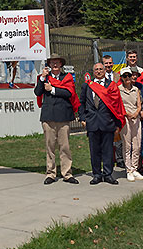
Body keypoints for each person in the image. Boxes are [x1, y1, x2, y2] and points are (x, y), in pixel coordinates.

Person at [34, 53, 80, 185]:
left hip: (63, 116)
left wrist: (53, 89)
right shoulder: (43, 78)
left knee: (64, 146)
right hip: (48, 116)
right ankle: (51, 173)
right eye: (52, 62)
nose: (55, 64)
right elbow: (37, 92)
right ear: (49, 64)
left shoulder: (67, 77)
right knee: (50, 146)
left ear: (61, 64)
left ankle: (67, 173)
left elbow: (69, 93)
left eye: (57, 62)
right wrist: (42, 79)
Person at [78, 63, 124, 185]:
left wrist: (117, 124)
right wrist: (82, 118)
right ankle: (97, 175)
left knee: (108, 151)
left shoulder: (111, 85)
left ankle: (108, 174)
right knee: (94, 151)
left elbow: (116, 105)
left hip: (107, 122)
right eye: (96, 69)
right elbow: (81, 103)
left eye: (100, 69)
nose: (98, 71)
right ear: (93, 72)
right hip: (92, 123)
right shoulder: (87, 86)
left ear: (105, 71)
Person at [118, 68, 143, 181]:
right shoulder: (119, 90)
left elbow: (139, 104)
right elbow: (119, 105)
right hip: (125, 118)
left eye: (129, 75)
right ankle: (128, 169)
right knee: (127, 145)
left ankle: (134, 168)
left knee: (137, 144)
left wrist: (136, 113)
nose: (127, 78)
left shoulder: (136, 89)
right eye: (125, 76)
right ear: (122, 78)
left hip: (136, 118)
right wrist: (127, 114)